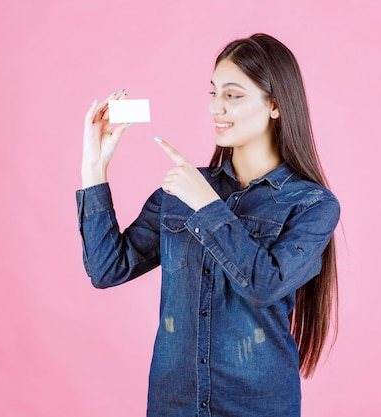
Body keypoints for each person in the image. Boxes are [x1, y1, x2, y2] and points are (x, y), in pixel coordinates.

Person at [77, 33, 340, 417]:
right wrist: (94, 168)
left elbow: (265, 284)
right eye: (213, 93)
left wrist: (205, 203)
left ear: (275, 106)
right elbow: (106, 269)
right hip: (173, 406)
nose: (216, 107)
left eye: (232, 95)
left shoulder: (312, 205)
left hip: (258, 406)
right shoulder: (180, 190)